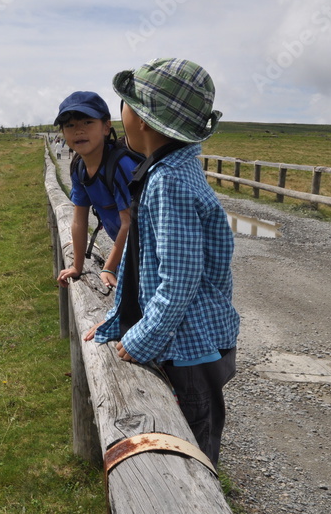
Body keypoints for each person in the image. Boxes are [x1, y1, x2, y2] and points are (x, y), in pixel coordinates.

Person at [85, 57, 240, 468]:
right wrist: (115, 324)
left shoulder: (169, 181)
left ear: (142, 119)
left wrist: (138, 341)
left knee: (190, 451)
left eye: (125, 103)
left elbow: (179, 280)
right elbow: (144, 269)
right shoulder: (171, 169)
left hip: (190, 350)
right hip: (186, 343)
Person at [53, 91, 140, 290]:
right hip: (130, 252)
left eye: (87, 123)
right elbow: (79, 219)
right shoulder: (79, 167)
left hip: (150, 252)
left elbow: (130, 223)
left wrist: (108, 268)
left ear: (106, 127)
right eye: (70, 125)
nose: (78, 131)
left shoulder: (121, 166)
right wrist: (77, 266)